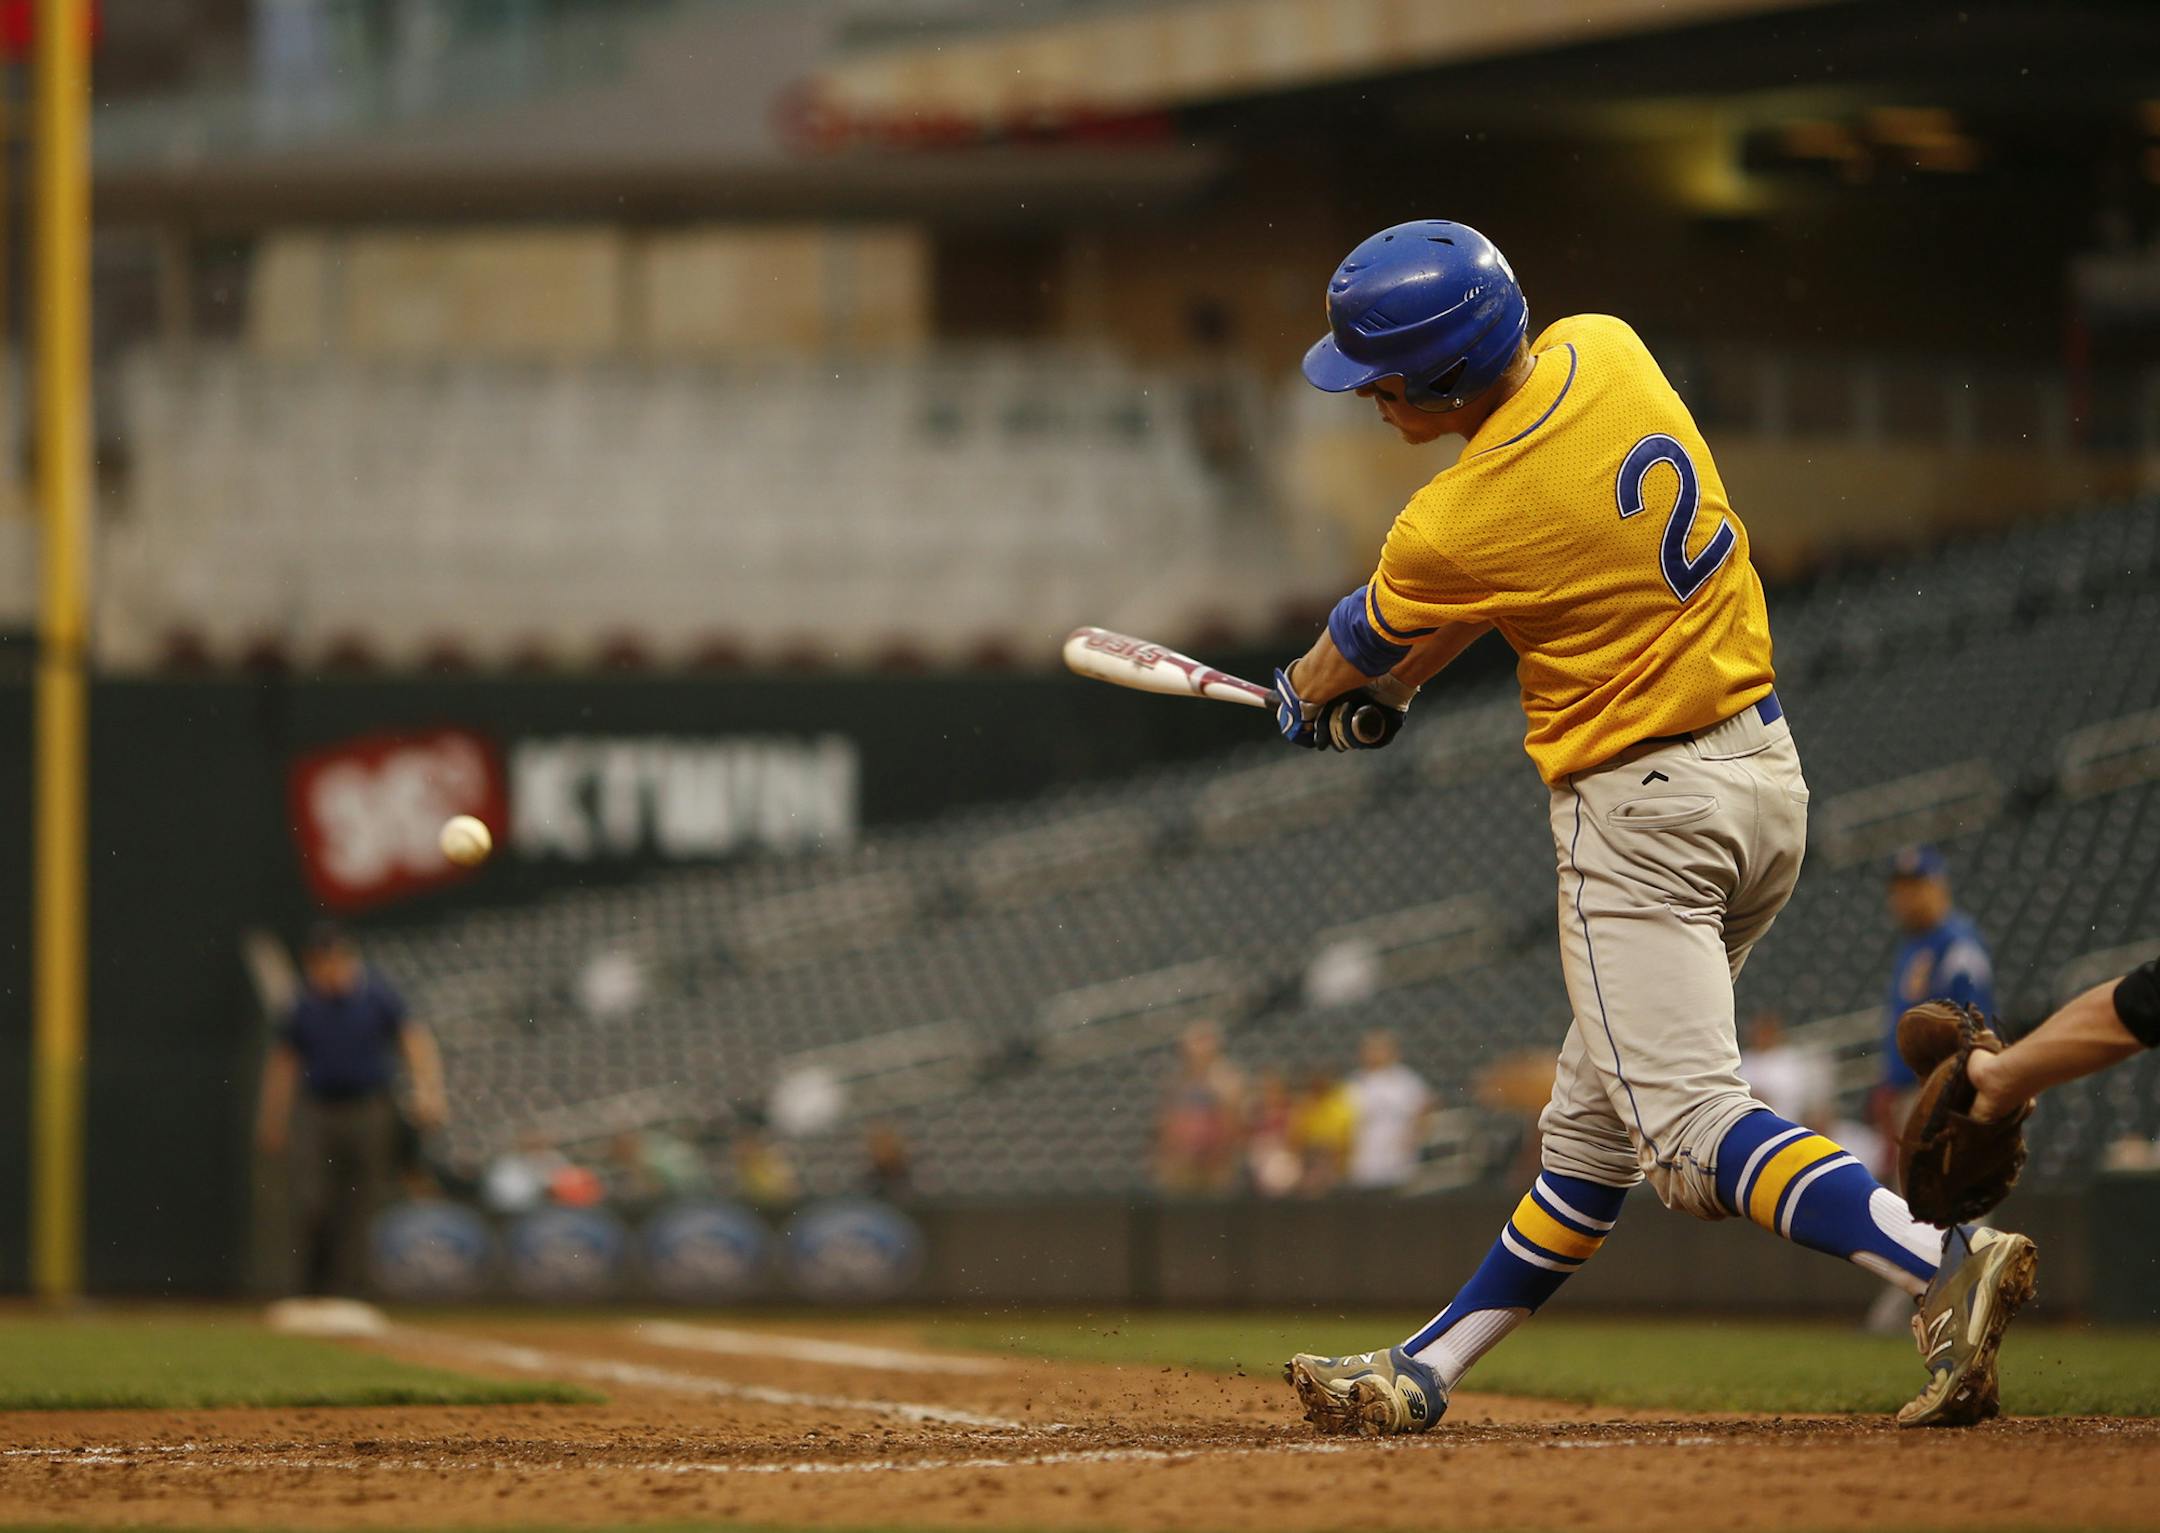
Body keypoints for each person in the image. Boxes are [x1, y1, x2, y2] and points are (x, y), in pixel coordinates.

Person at [1270, 220, 2033, 1435]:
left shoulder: (1446, 519)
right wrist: (1393, 695)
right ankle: (1424, 1371)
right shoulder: (1605, 351)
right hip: (1763, 786)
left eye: (1377, 379)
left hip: (1643, 817)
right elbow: (1492, 591)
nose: (1368, 397)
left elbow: (1363, 641)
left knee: (1684, 1138)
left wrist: (1311, 698)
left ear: (1430, 378)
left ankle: (1938, 1258)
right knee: (1589, 1131)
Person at [256, 922, 447, 1296]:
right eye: (321, 962)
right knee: (311, 1200)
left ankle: (347, 1294)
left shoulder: (377, 996)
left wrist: (429, 1090)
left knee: (359, 1202)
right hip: (318, 1110)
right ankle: (309, 1291)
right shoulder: (304, 1005)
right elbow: (284, 1063)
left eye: (335, 960)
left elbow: (413, 1039)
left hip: (368, 1107)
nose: (330, 969)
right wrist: (272, 1117)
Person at [1872, 846, 1995, 1163]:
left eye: (1914, 887)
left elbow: (1976, 1027)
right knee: (1918, 1206)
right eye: (1899, 890)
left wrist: (1960, 1097)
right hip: (1912, 1096)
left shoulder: (1957, 943)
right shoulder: (1913, 946)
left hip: (1945, 1098)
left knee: (1951, 1201)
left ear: (1938, 887)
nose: (1904, 898)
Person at [1152, 1020, 1247, 1195]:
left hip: (1215, 1160)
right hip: (1182, 1159)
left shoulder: (1228, 1081)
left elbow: (1234, 1122)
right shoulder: (1176, 1080)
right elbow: (1166, 1121)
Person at [1344, 1032, 1434, 1191]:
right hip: (1364, 1157)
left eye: (1380, 1049)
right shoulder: (1354, 1082)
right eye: (1370, 1049)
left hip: (1398, 1156)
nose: (1375, 1054)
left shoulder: (1406, 1080)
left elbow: (1424, 1109)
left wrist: (1415, 1137)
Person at [1739, 1011, 1834, 1131]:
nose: (1762, 1037)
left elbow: (1797, 1093)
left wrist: (1767, 1096)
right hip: (1751, 1122)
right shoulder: (1744, 1060)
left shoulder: (1790, 1059)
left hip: (1787, 1122)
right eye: (1759, 1032)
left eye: (1766, 1032)